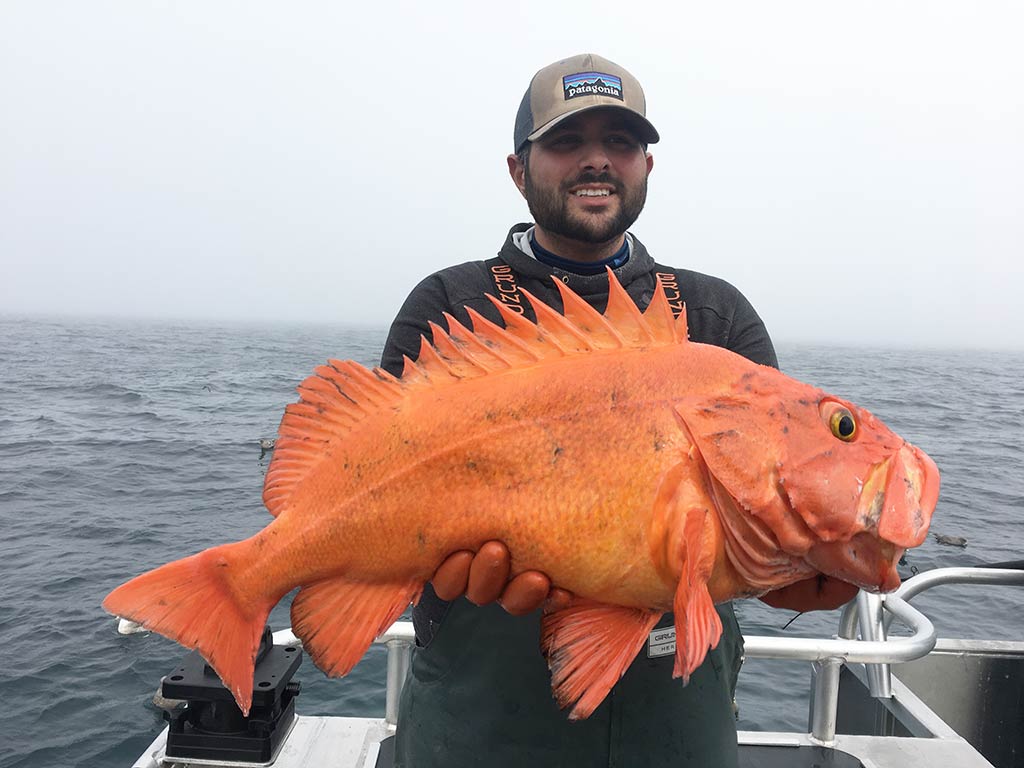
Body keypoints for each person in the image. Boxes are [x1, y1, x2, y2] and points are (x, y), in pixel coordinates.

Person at [378, 53, 856, 768]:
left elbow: (764, 523)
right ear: (518, 168)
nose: (596, 161)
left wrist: (816, 566)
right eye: (567, 142)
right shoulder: (451, 307)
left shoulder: (716, 316)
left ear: (646, 168)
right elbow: (381, 483)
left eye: (621, 144)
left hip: (678, 715)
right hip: (475, 720)